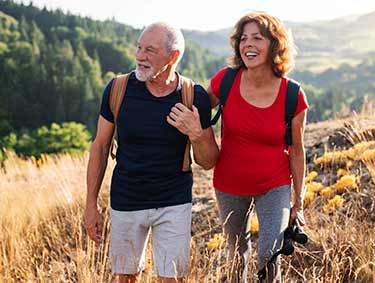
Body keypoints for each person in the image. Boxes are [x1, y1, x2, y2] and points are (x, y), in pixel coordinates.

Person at [170, 11, 308, 283]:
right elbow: (194, 107)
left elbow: (298, 151)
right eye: (243, 38)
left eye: (257, 38)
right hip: (229, 184)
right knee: (237, 255)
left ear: (274, 45)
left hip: (274, 184)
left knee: (269, 254)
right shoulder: (226, 81)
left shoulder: (293, 95)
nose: (248, 44)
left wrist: (298, 201)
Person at [84, 22, 219, 283]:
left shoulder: (193, 96)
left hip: (174, 202)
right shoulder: (117, 90)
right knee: (126, 277)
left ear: (173, 56)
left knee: (172, 279)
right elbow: (100, 147)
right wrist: (91, 205)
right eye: (139, 47)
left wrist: (196, 132)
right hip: (126, 199)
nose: (139, 56)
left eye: (150, 50)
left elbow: (209, 161)